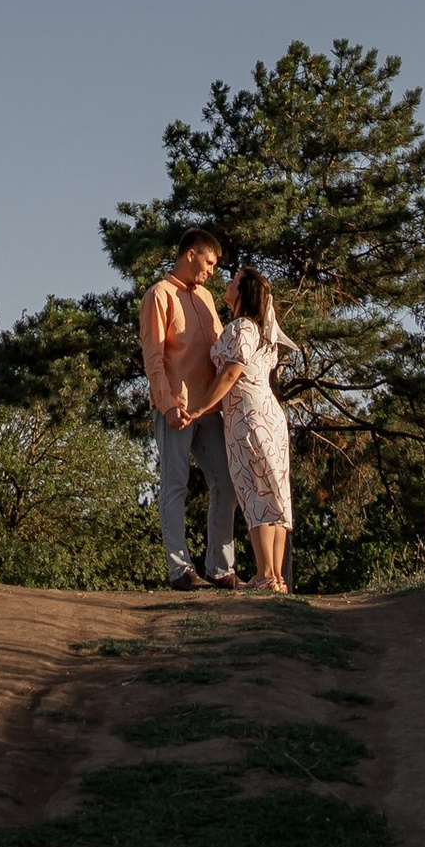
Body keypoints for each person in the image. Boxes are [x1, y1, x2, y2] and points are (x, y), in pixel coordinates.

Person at [179, 261, 295, 593]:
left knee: (255, 492)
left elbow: (231, 372)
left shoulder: (242, 328)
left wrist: (201, 406)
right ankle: (274, 576)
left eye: (234, 280)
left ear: (243, 292)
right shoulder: (264, 333)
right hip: (269, 413)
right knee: (272, 493)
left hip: (247, 416)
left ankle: (264, 575)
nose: (227, 283)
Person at [139, 230, 238, 590]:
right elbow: (153, 359)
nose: (213, 271)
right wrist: (166, 405)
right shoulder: (158, 296)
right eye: (210, 263)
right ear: (192, 254)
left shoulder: (208, 299)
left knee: (226, 482)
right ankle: (180, 570)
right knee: (175, 487)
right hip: (175, 409)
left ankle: (221, 568)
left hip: (208, 410)